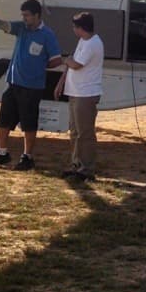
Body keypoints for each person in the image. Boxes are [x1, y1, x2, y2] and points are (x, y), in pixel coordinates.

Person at [0, 0, 61, 170]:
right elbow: (3, 25)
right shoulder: (21, 28)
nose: (24, 18)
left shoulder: (47, 35)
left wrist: (39, 67)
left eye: (27, 15)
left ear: (37, 16)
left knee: (28, 123)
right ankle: (1, 153)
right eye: (23, 15)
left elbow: (56, 59)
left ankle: (27, 157)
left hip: (32, 87)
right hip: (13, 83)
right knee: (4, 120)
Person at [54, 11, 104, 182]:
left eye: (75, 27)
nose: (73, 30)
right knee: (75, 131)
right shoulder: (83, 41)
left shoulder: (93, 44)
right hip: (76, 92)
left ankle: (87, 169)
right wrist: (61, 82)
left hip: (86, 93)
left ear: (81, 28)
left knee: (85, 133)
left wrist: (64, 60)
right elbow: (72, 63)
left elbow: (75, 64)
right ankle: (77, 165)